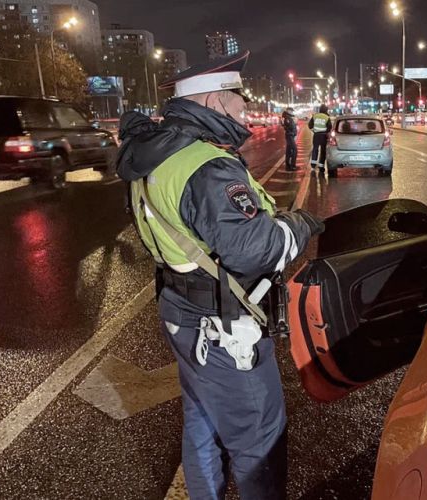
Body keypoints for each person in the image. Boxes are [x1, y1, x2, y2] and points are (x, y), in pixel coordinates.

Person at [116, 50, 324, 500]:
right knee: (259, 440)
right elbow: (255, 248)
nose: (245, 107)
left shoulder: (158, 153)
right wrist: (299, 225)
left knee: (202, 420)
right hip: (225, 327)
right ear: (213, 101)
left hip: (183, 312)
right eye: (238, 97)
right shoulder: (206, 165)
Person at [308, 104, 331, 170]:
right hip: (323, 136)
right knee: (323, 150)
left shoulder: (315, 116)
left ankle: (313, 164)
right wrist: (326, 132)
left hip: (316, 135)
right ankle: (321, 166)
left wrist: (314, 131)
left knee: (315, 149)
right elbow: (329, 127)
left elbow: (310, 125)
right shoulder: (327, 117)